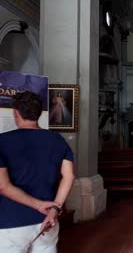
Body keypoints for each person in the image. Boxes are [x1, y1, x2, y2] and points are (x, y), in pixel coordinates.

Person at [0, 91, 75, 253]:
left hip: (11, 221)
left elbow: (2, 186)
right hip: (47, 220)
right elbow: (69, 176)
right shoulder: (57, 140)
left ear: (15, 113)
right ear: (39, 113)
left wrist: (39, 205)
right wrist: (55, 209)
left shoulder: (2, 142)